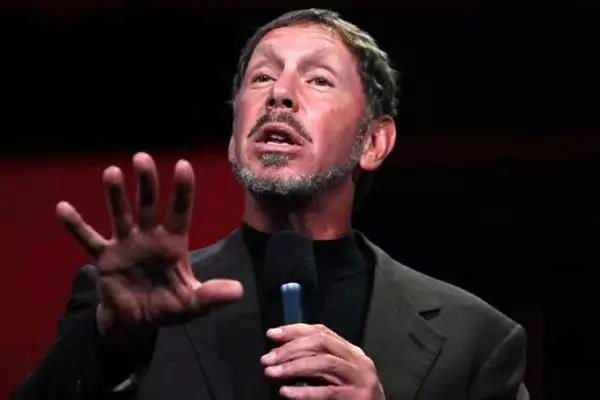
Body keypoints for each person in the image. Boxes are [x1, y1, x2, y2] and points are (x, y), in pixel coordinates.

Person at [11, 8, 528, 400]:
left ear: (374, 142)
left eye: (318, 79)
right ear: (234, 136)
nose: (279, 93)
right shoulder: (126, 307)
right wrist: (110, 342)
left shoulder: (475, 340)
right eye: (261, 77)